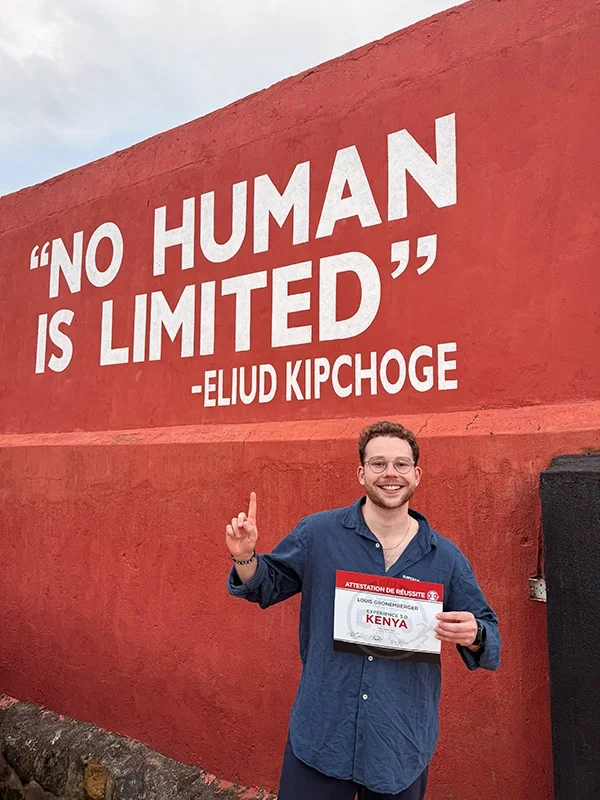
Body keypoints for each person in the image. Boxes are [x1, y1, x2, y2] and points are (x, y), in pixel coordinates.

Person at [226, 420, 500, 800]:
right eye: (378, 464)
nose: (391, 474)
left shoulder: (446, 559)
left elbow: (488, 633)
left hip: (398, 746)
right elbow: (267, 584)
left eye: (401, 464)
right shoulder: (319, 534)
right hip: (322, 735)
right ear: (361, 473)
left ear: (417, 475)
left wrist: (475, 634)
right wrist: (245, 557)